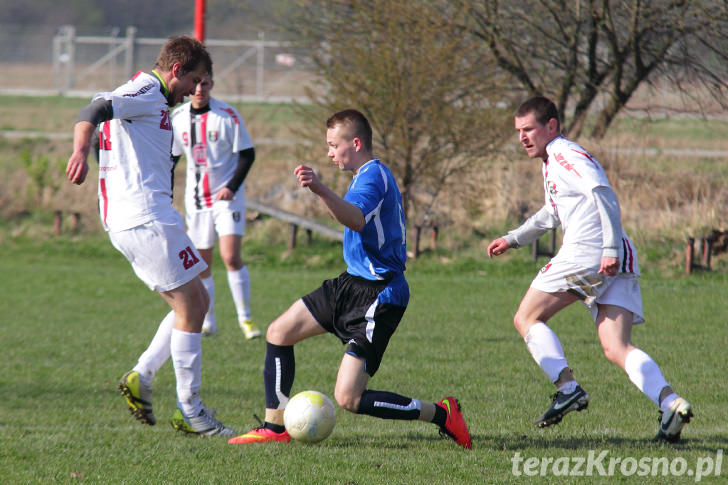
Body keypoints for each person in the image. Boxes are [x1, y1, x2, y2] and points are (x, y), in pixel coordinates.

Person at [227, 109, 472, 449]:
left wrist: (320, 190)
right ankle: (274, 426)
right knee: (278, 333)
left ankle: (442, 414)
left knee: (349, 398)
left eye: (333, 145)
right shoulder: (364, 175)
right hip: (350, 284)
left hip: (380, 294)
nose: (329, 153)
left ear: (354, 143)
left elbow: (356, 219)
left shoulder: (373, 176)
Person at [486, 96, 692, 442]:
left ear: (551, 126)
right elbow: (553, 213)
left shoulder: (566, 154)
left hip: (590, 251)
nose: (522, 137)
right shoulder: (551, 162)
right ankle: (671, 403)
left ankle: (568, 388)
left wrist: (607, 248)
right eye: (518, 131)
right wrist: (514, 238)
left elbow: (604, 193)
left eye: (529, 129)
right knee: (616, 347)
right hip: (615, 255)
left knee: (526, 318)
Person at [65, 35, 234, 437]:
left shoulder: (152, 100)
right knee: (193, 307)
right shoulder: (145, 88)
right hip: (144, 217)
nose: (195, 91)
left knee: (198, 301)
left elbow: (110, 119)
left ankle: (143, 375)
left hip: (146, 216)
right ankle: (191, 411)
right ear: (176, 70)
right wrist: (79, 151)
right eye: (193, 81)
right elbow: (94, 108)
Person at [170, 73, 260, 339]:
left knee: (231, 256)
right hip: (196, 201)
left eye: (205, 84)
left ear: (211, 85)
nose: (199, 89)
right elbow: (172, 159)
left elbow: (247, 154)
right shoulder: (178, 118)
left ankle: (246, 320)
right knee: (202, 264)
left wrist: (231, 186)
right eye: (195, 84)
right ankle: (208, 321)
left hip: (227, 198)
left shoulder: (227, 115)